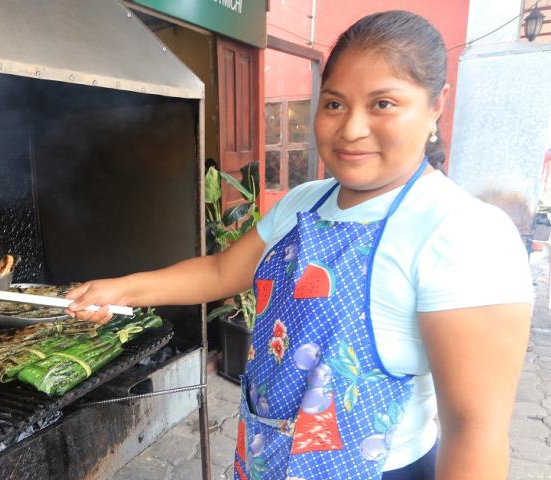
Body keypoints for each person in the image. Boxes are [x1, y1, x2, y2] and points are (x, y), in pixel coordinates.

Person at [66, 10, 532, 480]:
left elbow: (475, 430)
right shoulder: (303, 203)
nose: (350, 129)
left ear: (436, 105)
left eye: (383, 104)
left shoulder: (465, 234)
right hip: (265, 460)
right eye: (334, 104)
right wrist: (118, 290)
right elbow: (220, 273)